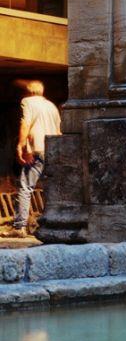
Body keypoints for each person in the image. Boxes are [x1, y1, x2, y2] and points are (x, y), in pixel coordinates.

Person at [12, 81, 59, 237]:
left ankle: (19, 227)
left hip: (37, 149)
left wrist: (21, 145)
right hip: (53, 149)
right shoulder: (51, 105)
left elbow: (25, 123)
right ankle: (51, 224)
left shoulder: (28, 102)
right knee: (51, 189)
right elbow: (58, 130)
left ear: (29, 92)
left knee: (26, 187)